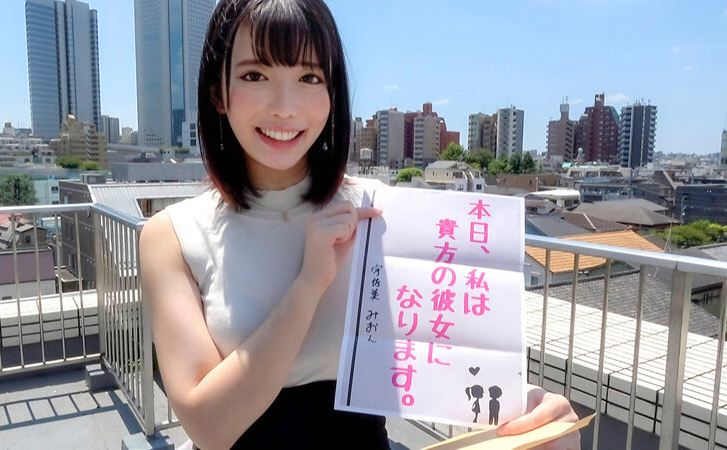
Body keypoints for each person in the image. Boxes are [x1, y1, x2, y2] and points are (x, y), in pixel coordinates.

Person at [139, 1, 580, 449]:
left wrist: (526, 406)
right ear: (218, 91)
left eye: (310, 78)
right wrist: (309, 284)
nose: (285, 108)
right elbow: (209, 428)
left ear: (333, 92)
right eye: (255, 75)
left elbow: (447, 351)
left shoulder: (382, 210)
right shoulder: (173, 235)